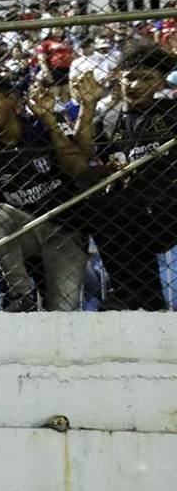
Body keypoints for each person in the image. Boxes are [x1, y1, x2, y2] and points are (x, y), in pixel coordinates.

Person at [0, 75, 91, 311]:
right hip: (24, 231)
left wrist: (51, 123)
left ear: (12, 100)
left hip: (64, 230)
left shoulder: (42, 127)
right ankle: (21, 293)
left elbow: (78, 166)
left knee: (63, 313)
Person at [77, 43, 177, 310]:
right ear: (118, 78)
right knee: (97, 203)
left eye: (147, 78)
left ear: (161, 83)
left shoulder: (170, 111)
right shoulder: (111, 121)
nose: (136, 84)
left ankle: (136, 293)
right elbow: (83, 151)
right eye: (130, 76)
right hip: (134, 212)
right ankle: (142, 297)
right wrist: (88, 106)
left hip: (169, 205)